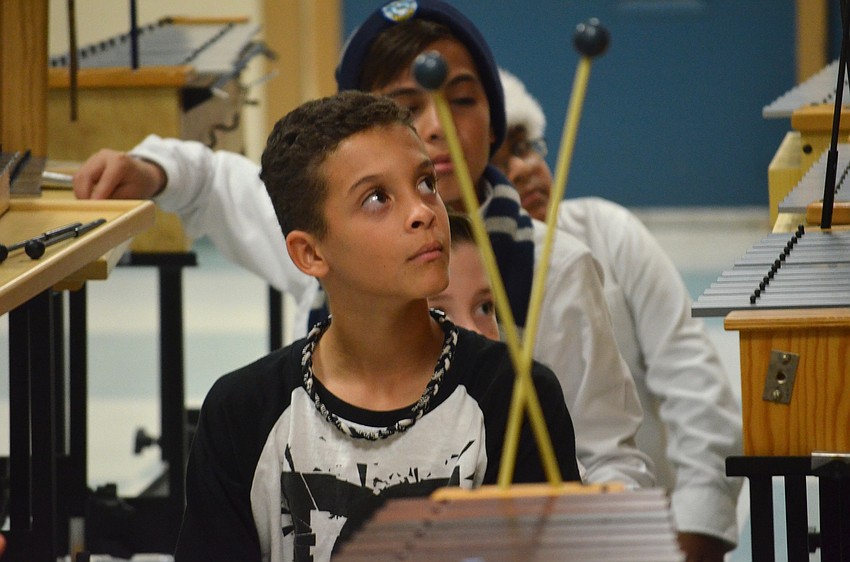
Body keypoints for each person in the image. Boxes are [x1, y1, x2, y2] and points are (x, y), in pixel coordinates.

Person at [73, 0, 654, 488]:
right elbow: (214, 181)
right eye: (406, 106)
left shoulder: (555, 265)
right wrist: (151, 167)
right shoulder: (334, 237)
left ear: (495, 119)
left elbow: (608, 456)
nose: (434, 126)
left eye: (463, 98)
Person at [174, 91, 580, 562]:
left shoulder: (516, 393)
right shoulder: (241, 412)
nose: (423, 212)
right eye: (377, 198)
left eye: (425, 182)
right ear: (310, 253)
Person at [491, 67, 744, 561]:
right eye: (498, 163)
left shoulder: (610, 231)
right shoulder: (452, 274)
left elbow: (699, 397)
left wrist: (696, 533)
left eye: (523, 147)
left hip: (654, 530)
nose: (520, 169)